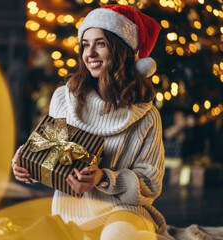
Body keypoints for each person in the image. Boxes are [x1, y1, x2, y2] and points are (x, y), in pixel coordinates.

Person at [12, 4, 166, 239]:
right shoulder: (64, 98)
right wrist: (26, 162)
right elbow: (51, 154)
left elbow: (150, 184)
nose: (90, 53)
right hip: (71, 215)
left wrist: (103, 178)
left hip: (124, 212)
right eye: (85, 44)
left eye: (100, 43)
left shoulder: (146, 115)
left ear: (120, 50)